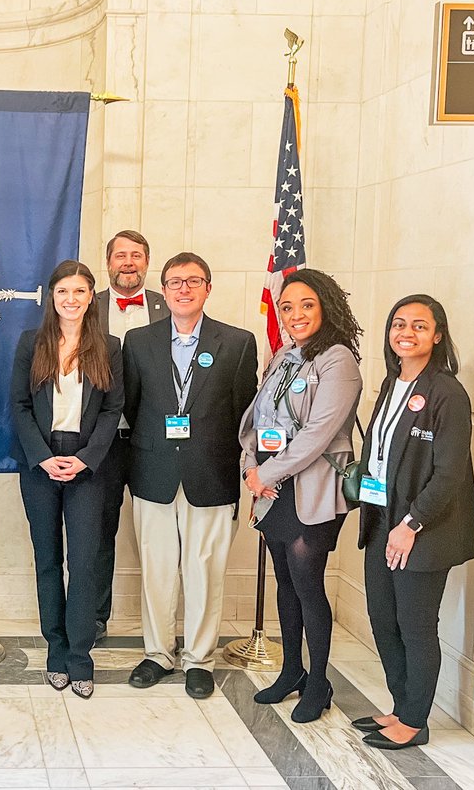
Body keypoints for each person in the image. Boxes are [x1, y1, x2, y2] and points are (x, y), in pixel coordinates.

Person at [122, 252, 257, 698]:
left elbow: (244, 414)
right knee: (157, 569)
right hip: (153, 471)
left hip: (211, 475)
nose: (183, 289)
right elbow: (131, 406)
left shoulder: (237, 342)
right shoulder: (138, 341)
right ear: (162, 289)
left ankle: (199, 659)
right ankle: (158, 653)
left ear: (208, 288)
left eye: (193, 281)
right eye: (175, 281)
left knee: (204, 570)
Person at [352, 295, 474, 750]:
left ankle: (415, 720)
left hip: (421, 528)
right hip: (381, 520)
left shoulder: (447, 392)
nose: (406, 332)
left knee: (415, 625)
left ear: (438, 335)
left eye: (419, 326)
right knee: (382, 620)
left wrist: (411, 524)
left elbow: (449, 472)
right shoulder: (392, 383)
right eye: (399, 324)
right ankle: (400, 705)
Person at [238, 268, 363, 723]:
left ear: (325, 306)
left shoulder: (338, 361)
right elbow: (257, 420)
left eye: (306, 305)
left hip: (312, 490)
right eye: (287, 307)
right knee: (285, 582)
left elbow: (317, 435)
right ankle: (291, 670)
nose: (295, 315)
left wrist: (264, 472)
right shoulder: (283, 356)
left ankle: (318, 681)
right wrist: (251, 467)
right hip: (271, 488)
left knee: (309, 584)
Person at [10, 260, 123, 699]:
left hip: (88, 465)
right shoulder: (30, 343)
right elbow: (18, 406)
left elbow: (114, 409)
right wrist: (41, 457)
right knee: (47, 561)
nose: (71, 300)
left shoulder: (109, 346)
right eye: (63, 292)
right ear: (51, 297)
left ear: (90, 296)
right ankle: (55, 652)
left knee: (84, 563)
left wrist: (87, 459)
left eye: (79, 292)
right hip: (40, 462)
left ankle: (80, 657)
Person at [91, 230, 166, 641]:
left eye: (136, 255)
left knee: (157, 532)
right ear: (108, 263)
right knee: (99, 530)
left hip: (152, 442)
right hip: (103, 442)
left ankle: (160, 622)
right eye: (120, 255)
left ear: (147, 261)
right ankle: (97, 616)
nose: (128, 263)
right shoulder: (89, 306)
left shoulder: (167, 306)